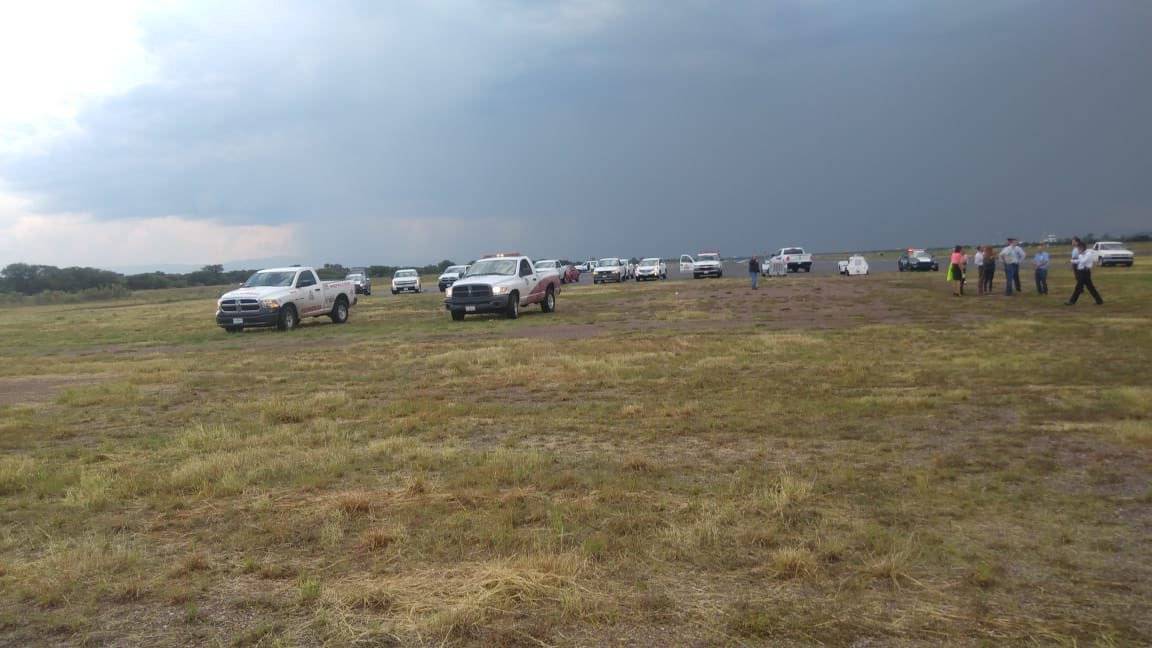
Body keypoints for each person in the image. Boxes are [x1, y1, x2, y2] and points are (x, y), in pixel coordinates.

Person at [1066, 241, 1103, 305]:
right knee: (1090, 287)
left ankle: (1072, 301)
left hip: (1085, 272)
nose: (1078, 250)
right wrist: (1072, 261)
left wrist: (1080, 255)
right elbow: (1079, 261)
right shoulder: (1083, 254)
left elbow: (1083, 261)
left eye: (1078, 248)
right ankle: (1099, 301)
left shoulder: (1088, 254)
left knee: (1078, 287)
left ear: (1082, 248)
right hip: (1082, 272)